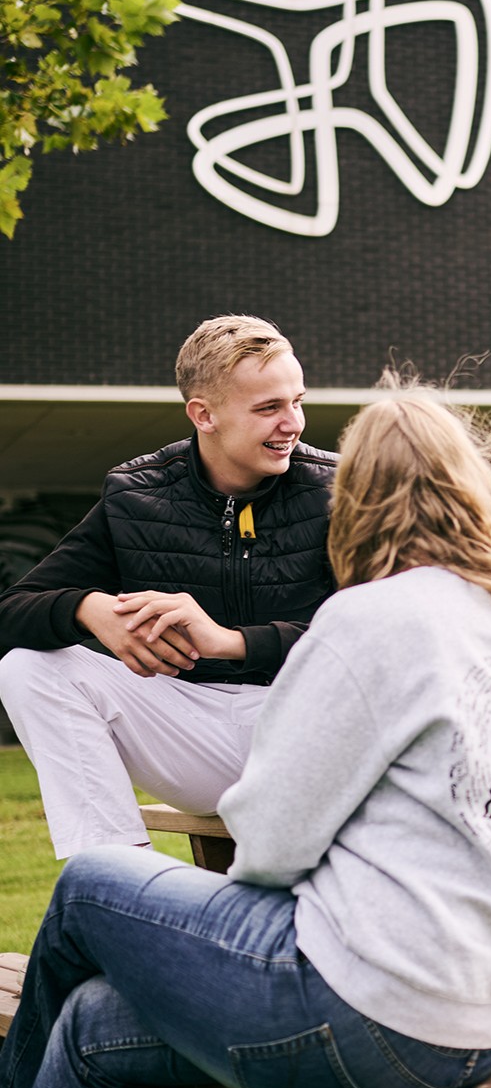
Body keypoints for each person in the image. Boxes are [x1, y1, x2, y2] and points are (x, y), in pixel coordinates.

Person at [0, 380, 491, 1088]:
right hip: (479, 1028)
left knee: (95, 885)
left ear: (355, 498)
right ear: (478, 492)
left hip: (355, 1015)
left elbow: (268, 846)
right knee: (94, 1025)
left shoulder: (363, 618)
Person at [0, 315, 336, 857]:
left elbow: (389, 639)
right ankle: (114, 873)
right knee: (28, 668)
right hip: (190, 732)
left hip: (312, 731)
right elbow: (10, 610)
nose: (292, 423)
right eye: (268, 408)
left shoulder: (343, 490)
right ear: (204, 415)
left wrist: (231, 642)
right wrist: (87, 609)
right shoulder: (137, 494)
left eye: (297, 401)